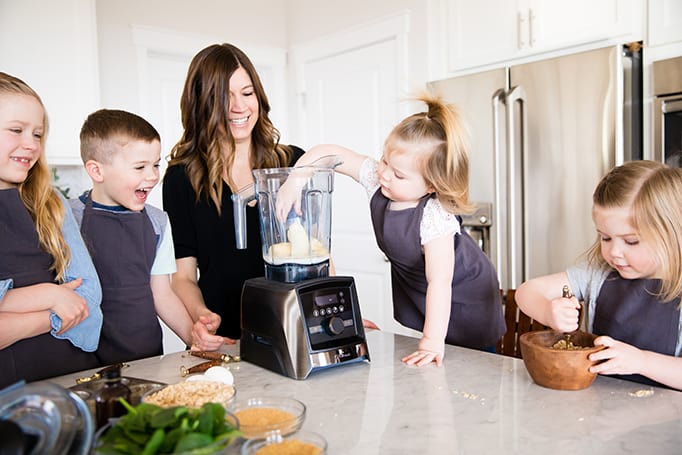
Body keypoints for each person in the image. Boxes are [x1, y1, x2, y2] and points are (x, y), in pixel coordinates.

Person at [276, 94, 506, 367]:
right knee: (441, 358)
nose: (384, 174)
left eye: (399, 175)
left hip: (466, 294)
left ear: (432, 185)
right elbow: (329, 152)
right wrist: (296, 180)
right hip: (429, 290)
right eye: (384, 161)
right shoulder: (379, 179)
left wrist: (431, 341)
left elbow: (440, 282)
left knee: (473, 361)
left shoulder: (435, 216)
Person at [163, 43, 305, 344]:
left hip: (296, 327)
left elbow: (317, 254)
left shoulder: (292, 164)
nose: (238, 107)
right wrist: (202, 316)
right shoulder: (181, 179)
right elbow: (183, 276)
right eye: (222, 97)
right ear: (202, 103)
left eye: (247, 93)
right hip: (228, 338)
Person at [515, 160, 682, 390]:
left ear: (671, 234)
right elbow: (528, 291)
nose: (614, 252)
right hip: (598, 412)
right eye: (605, 238)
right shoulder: (598, 274)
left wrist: (641, 362)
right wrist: (547, 311)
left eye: (631, 241)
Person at [71, 109, 217, 365]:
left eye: (155, 165)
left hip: (146, 359)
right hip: (85, 363)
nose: (152, 176)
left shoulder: (158, 222)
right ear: (96, 170)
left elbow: (162, 294)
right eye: (140, 167)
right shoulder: (69, 218)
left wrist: (194, 340)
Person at [0, 72, 102, 387]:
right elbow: (70, 304)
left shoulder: (51, 200)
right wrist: (50, 296)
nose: (30, 145)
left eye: (38, 134)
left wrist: (10, 312)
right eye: (16, 130)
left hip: (70, 375)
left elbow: (87, 295)